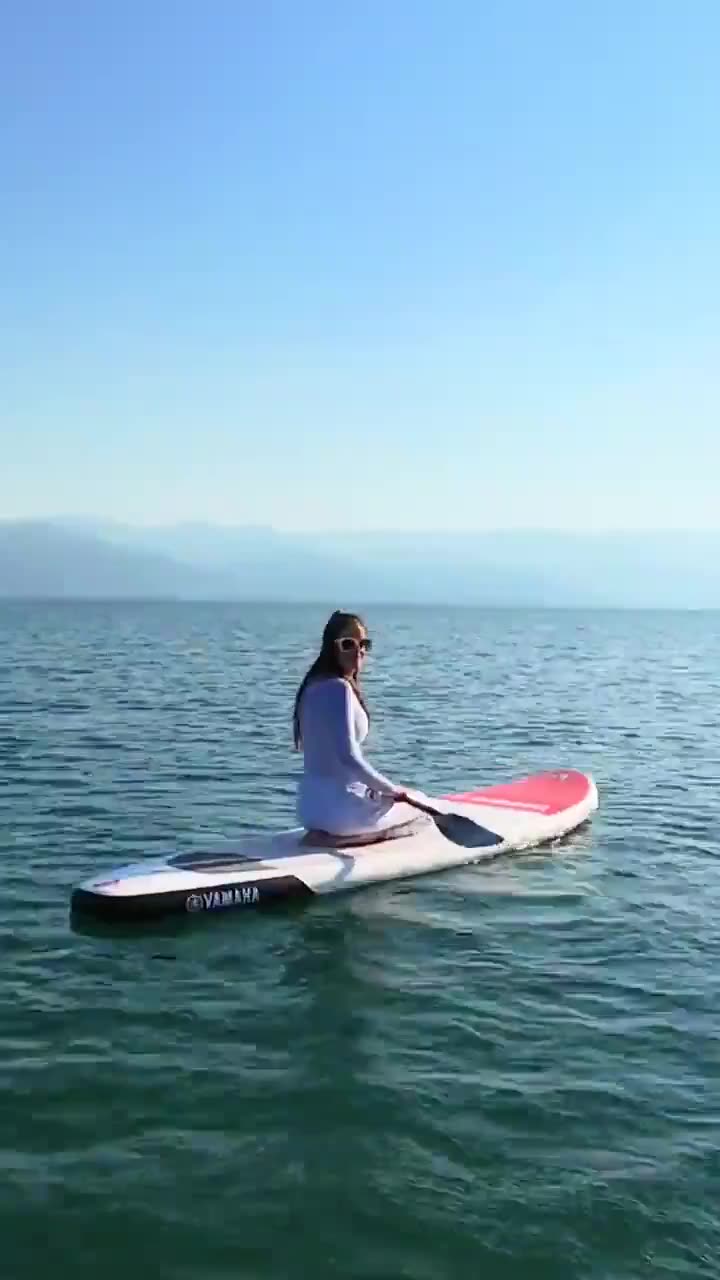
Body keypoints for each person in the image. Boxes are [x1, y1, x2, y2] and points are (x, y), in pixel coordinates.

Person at [292, 610, 427, 841]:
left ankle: (329, 833)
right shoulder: (339, 688)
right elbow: (348, 758)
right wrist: (392, 790)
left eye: (364, 643)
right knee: (421, 811)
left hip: (309, 809)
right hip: (343, 813)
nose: (359, 650)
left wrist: (383, 791)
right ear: (331, 647)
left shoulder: (310, 686)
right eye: (348, 644)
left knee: (401, 798)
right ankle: (349, 838)